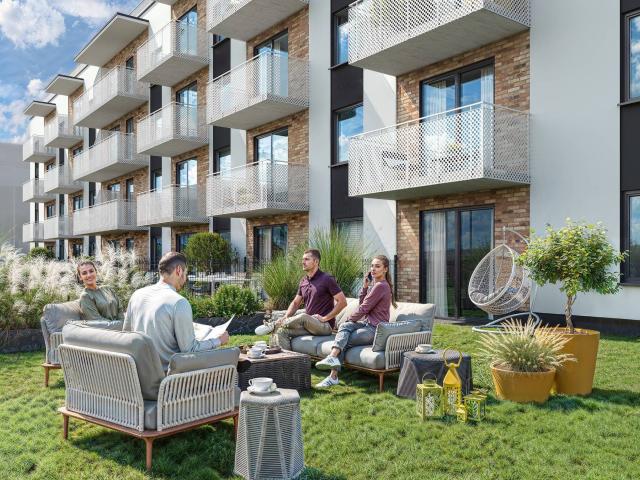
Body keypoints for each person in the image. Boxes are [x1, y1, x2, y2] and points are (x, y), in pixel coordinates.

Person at [123, 251, 230, 371]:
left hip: (139, 374)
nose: (186, 278)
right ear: (179, 270)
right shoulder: (178, 302)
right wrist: (218, 341)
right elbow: (190, 350)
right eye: (186, 273)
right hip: (170, 377)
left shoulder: (137, 295)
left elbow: (126, 336)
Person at [315, 255, 396, 387]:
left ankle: (333, 375)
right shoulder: (376, 286)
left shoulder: (381, 286)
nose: (373, 269)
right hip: (367, 324)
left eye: (377, 266)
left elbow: (364, 309)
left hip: (375, 329)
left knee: (344, 340)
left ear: (385, 269)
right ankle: (332, 360)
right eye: (372, 266)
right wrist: (365, 287)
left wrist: (350, 318)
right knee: (345, 328)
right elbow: (363, 304)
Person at [273, 249, 348, 350]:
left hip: (324, 326)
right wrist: (286, 316)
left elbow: (342, 302)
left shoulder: (327, 279)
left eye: (307, 259)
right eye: (303, 259)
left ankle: (273, 325)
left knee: (303, 316)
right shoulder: (303, 281)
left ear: (316, 262)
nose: (303, 262)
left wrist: (325, 318)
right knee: (281, 332)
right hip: (308, 326)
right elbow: (295, 303)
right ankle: (288, 358)